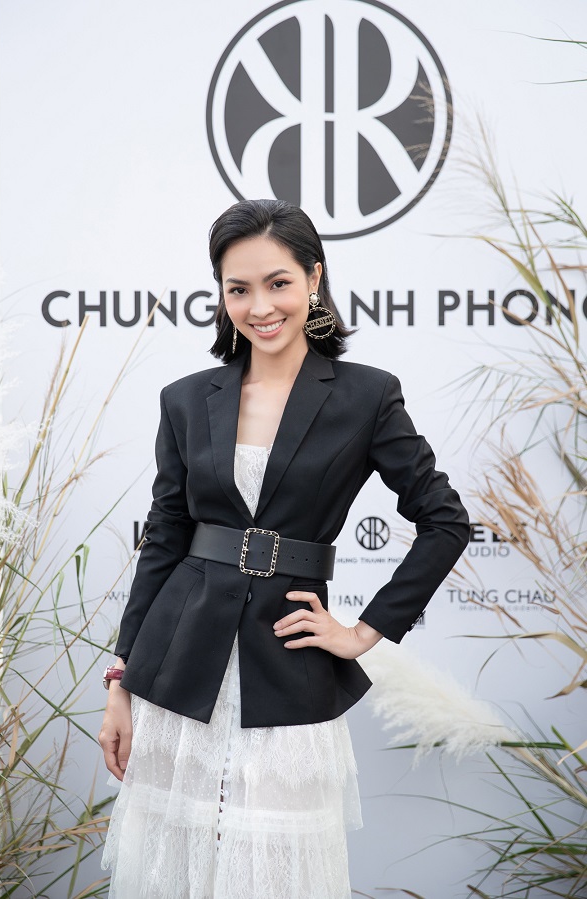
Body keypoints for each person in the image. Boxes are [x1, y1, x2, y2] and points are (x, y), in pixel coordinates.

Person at [99, 198, 469, 898]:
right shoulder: (185, 399)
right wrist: (121, 680)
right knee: (173, 871)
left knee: (273, 872)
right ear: (221, 294)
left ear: (314, 278)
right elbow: (165, 537)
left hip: (287, 665)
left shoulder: (366, 396)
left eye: (278, 283)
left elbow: (445, 520)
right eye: (238, 288)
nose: (260, 307)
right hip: (176, 670)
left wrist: (363, 632)